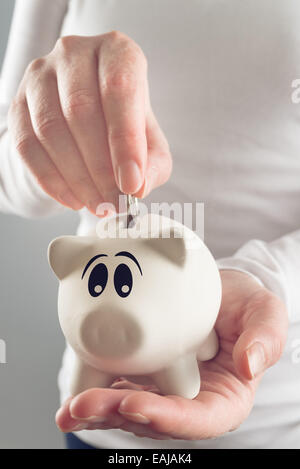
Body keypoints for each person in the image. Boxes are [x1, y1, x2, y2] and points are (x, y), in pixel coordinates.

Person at [0, 0, 299, 450]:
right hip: (97, 424)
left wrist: (263, 277)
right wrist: (48, 144)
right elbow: (6, 175)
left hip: (281, 419)